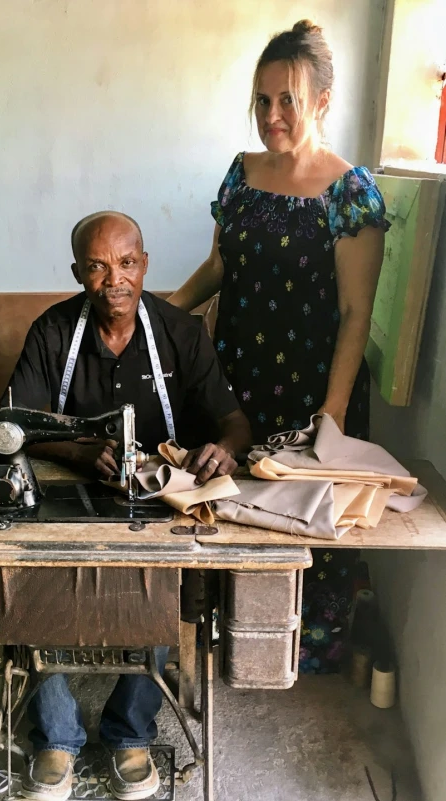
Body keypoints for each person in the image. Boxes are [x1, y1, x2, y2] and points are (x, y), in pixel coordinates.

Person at [169, 20, 391, 673]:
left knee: (299, 521)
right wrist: (166, 309)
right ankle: (232, 643)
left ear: (321, 100)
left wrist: (333, 413)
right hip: (234, 372)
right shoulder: (240, 174)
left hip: (310, 385)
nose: (271, 115)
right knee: (225, 503)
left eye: (286, 100)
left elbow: (355, 313)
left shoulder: (350, 194)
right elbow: (217, 268)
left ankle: (296, 656)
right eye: (261, 100)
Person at [7, 210, 251, 801]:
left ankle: (130, 729)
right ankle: (57, 736)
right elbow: (16, 426)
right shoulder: (50, 333)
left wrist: (222, 450)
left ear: (145, 265)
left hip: (159, 496)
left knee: (162, 586)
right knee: (23, 575)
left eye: (126, 262)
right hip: (68, 488)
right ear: (77, 272)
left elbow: (236, 424)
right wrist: (80, 451)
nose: (113, 278)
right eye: (96, 266)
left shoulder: (181, 334)